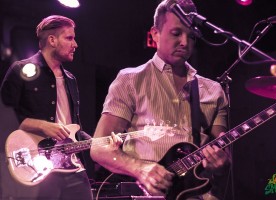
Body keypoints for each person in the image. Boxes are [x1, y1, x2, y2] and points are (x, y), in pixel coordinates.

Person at [90, 0, 231, 199]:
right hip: (145, 194)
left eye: (191, 36)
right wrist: (140, 168)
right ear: (155, 33)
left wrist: (221, 162)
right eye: (176, 33)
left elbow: (223, 156)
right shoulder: (129, 80)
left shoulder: (213, 90)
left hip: (197, 193)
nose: (184, 42)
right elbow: (99, 148)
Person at [1, 15, 93, 200]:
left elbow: (74, 127)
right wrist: (42, 126)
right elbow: (4, 120)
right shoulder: (20, 70)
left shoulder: (71, 80)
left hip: (72, 168)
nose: (75, 44)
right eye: (69, 38)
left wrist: (100, 143)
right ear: (52, 40)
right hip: (36, 167)